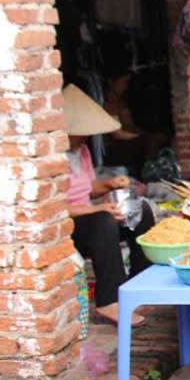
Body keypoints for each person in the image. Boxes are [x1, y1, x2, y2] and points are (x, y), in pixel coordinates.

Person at [63, 84, 155, 326]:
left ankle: (141, 283)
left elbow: (88, 189)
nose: (84, 137)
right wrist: (97, 210)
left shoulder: (81, 151)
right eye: (79, 132)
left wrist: (111, 184)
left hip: (90, 219)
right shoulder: (48, 157)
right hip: (66, 228)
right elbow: (51, 208)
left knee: (141, 210)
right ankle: (108, 301)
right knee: (104, 220)